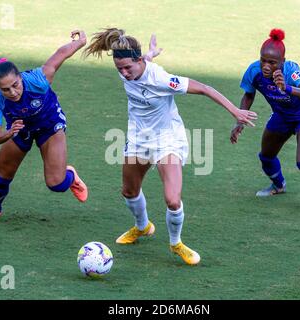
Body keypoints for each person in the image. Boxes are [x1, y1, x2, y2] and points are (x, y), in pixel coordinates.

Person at [85, 28, 257, 265]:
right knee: (129, 191)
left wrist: (235, 111)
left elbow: (205, 89)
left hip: (167, 139)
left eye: (127, 68)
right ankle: (143, 227)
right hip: (138, 139)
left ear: (138, 60)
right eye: (119, 69)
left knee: (172, 200)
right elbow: (140, 64)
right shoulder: (131, 68)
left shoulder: (162, 79)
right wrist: (150, 54)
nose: (124, 73)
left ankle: (176, 243)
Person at [0, 30, 89, 226]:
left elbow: (60, 54)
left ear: (21, 77)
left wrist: (81, 41)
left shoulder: (38, 79)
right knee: (3, 175)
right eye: (5, 89)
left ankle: (71, 176)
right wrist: (8, 133)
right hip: (19, 130)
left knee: (57, 184)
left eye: (15, 85)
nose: (12, 92)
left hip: (49, 125)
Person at [231, 28, 300, 216]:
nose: (266, 66)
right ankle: (278, 185)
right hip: (283, 114)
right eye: (263, 60)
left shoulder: (291, 71)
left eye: (272, 62)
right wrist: (239, 120)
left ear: (282, 62)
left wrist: (287, 88)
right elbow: (248, 94)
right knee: (266, 156)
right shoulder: (254, 71)